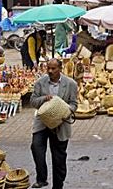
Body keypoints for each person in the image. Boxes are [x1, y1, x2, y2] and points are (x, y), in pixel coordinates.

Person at [30, 59, 78, 189]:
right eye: (48, 68)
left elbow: (74, 104)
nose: (50, 71)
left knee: (59, 157)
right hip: (42, 122)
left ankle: (58, 185)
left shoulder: (71, 84)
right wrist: (44, 99)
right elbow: (33, 101)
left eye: (53, 69)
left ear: (60, 68)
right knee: (36, 148)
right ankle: (42, 178)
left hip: (60, 124)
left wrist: (65, 112)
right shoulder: (40, 82)